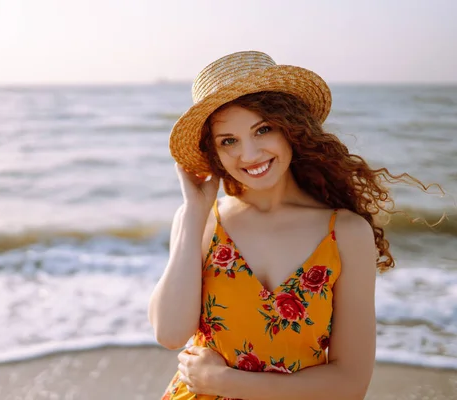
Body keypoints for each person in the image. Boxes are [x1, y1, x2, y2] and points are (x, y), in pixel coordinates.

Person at [147, 50, 429, 400]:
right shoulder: (200, 221)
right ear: (214, 153)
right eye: (228, 141)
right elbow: (170, 334)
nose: (248, 155)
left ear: (291, 130)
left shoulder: (344, 233)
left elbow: (351, 383)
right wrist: (194, 211)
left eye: (262, 129)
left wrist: (225, 382)